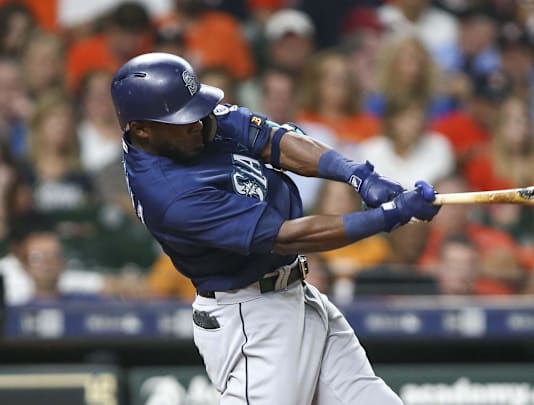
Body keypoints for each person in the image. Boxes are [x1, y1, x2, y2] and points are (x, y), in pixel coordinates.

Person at [111, 52, 440, 404]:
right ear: (141, 129)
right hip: (252, 319)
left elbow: (274, 140)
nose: (196, 121)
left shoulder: (187, 127)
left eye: (196, 109)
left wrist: (357, 175)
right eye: (182, 117)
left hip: (294, 296)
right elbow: (287, 235)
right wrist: (387, 216)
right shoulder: (172, 197)